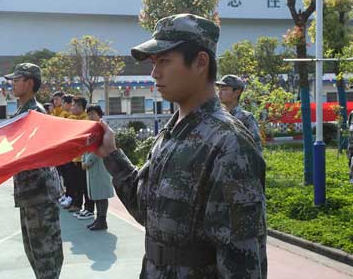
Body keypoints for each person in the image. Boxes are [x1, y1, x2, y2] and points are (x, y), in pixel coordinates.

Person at [96, 14, 267, 278]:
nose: (154, 73)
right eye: (154, 63)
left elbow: (243, 262)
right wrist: (111, 155)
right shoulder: (172, 132)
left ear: (200, 62)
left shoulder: (228, 143)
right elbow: (148, 212)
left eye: (164, 61)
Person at [4, 63, 63, 279]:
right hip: (29, 194)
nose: (12, 84)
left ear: (29, 83)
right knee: (34, 254)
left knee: (46, 256)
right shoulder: (21, 112)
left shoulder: (35, 113)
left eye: (17, 79)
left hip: (40, 193)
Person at [82, 105, 114, 230]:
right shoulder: (92, 128)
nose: (90, 116)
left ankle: (102, 220)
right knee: (97, 195)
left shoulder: (101, 129)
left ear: (100, 115)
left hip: (100, 166)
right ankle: (98, 219)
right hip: (92, 168)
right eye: (89, 114)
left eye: (93, 114)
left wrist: (88, 161)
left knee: (101, 195)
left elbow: (97, 148)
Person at [216, 74, 262, 150]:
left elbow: (256, 148)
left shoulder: (246, 118)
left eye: (224, 89)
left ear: (237, 92)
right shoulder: (218, 116)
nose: (219, 93)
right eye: (219, 89)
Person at [66, 97, 94, 220]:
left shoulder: (86, 120)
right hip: (75, 158)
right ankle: (78, 205)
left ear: (81, 107)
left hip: (83, 158)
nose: (72, 108)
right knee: (77, 184)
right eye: (72, 105)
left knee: (85, 185)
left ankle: (89, 208)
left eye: (74, 106)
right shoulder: (73, 119)